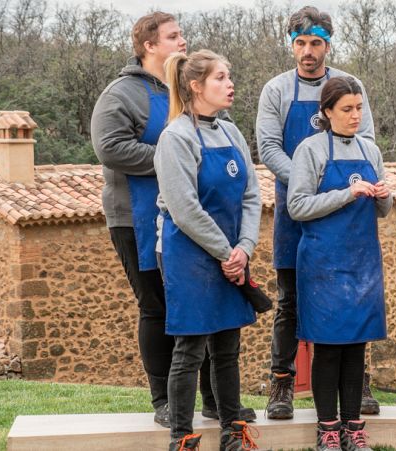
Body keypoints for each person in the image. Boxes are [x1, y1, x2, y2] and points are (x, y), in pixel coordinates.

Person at [90, 11, 253, 427]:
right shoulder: (121, 94)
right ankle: (164, 400)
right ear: (149, 45)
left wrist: (189, 169)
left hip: (201, 220)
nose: (182, 41)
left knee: (205, 309)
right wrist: (175, 164)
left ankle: (215, 399)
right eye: (173, 35)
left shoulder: (194, 90)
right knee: (157, 308)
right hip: (135, 216)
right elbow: (110, 148)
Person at [256, 5, 380, 419]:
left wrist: (336, 189)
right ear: (291, 45)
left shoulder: (349, 85)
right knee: (289, 299)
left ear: (328, 44)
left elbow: (366, 141)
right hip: (298, 209)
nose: (308, 51)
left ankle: (359, 383)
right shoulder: (276, 90)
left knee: (356, 296)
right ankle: (282, 384)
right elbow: (269, 147)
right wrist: (311, 181)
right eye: (301, 43)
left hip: (351, 217)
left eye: (316, 43)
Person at [155, 50, 261, 451]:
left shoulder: (232, 133)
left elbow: (251, 196)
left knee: (227, 347)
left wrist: (245, 248)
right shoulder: (176, 137)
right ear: (196, 86)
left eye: (229, 75)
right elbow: (184, 209)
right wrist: (225, 252)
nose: (230, 83)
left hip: (232, 253)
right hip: (189, 252)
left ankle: (233, 432)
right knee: (191, 347)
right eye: (220, 77)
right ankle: (182, 438)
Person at [287, 76, 391, 451]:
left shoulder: (370, 150)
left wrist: (383, 194)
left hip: (363, 262)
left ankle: (354, 426)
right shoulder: (310, 150)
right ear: (327, 112)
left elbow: (383, 210)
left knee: (356, 347)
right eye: (346, 109)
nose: (355, 116)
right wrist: (348, 193)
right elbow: (297, 206)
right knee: (329, 348)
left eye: (359, 108)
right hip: (324, 264)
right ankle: (328, 428)